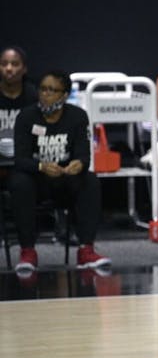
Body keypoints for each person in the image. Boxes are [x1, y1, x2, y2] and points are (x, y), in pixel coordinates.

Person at [9, 69, 111, 272]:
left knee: (89, 180)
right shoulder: (26, 117)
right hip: (37, 180)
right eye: (43, 89)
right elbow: (20, 159)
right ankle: (28, 251)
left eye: (52, 90)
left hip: (65, 179)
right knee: (19, 182)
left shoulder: (78, 117)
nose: (45, 94)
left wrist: (78, 165)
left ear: (64, 95)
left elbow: (84, 155)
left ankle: (86, 249)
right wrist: (41, 166)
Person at [0, 46, 37, 161]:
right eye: (4, 64)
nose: (9, 68)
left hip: (26, 159)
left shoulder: (34, 96)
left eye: (15, 64)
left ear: (24, 68)